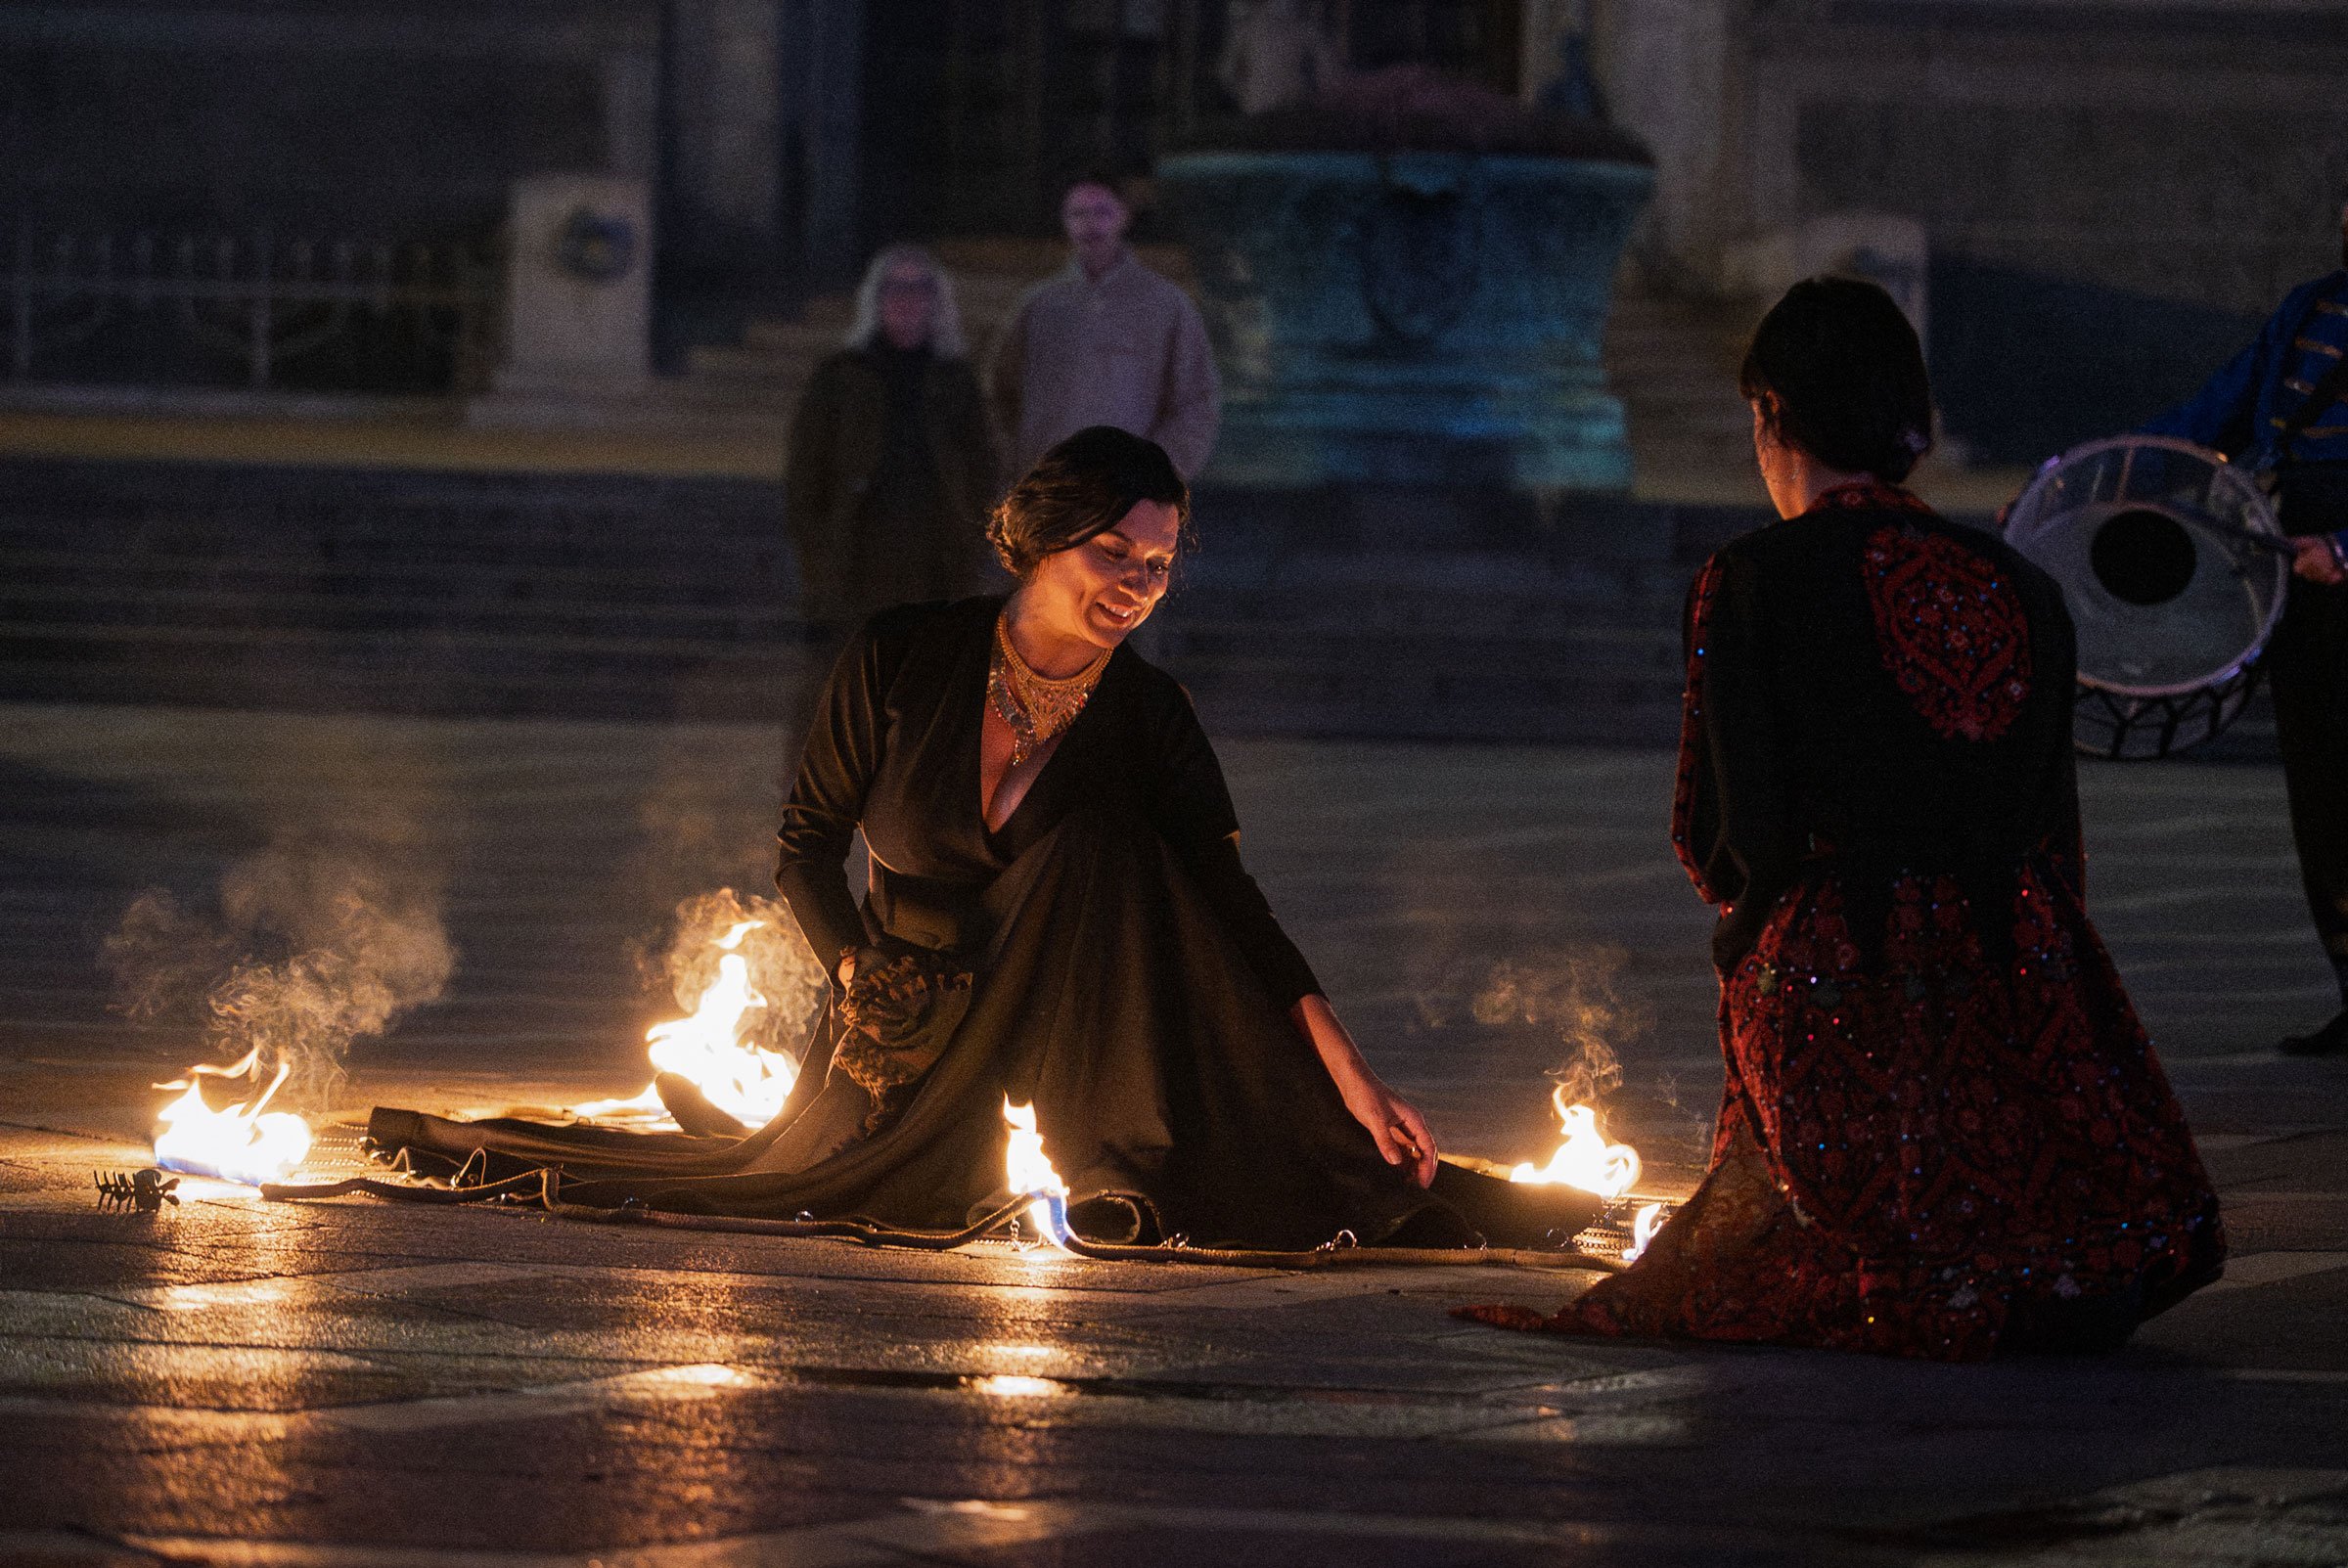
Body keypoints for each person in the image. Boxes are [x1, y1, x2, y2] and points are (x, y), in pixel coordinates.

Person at [368, 427, 1564, 1250]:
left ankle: (1114, 1166)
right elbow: (805, 845)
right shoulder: (903, 655)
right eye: (1113, 554)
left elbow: (1233, 911)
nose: (1137, 586)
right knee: (774, 1182)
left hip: (1078, 1036)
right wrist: (855, 970)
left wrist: (1354, 1081)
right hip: (913, 1014)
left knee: (1105, 844)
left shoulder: (1148, 716)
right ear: (1044, 535)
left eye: (1157, 566)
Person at [1463, 279, 2225, 1360]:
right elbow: (2056, 829)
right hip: (2030, 972)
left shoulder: (1753, 576)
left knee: (1796, 1249)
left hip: (1837, 970)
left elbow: (1730, 830)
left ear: (1773, 413)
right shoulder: (2019, 582)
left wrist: (1751, 935)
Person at [2141, 199, 2348, 1056]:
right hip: (2294, 560)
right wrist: (2096, 482)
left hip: (2332, 546)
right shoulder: (2310, 307)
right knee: (2325, 786)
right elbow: (2212, 413)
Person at [788, 245, 999, 630]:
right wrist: (820, 555)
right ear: (876, 296)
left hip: (938, 559)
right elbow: (806, 474)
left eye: (920, 288)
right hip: (859, 559)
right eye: (896, 287)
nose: (908, 299)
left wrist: (973, 539)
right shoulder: (840, 377)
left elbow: (981, 465)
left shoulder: (955, 380)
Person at [988, 179, 1221, 480]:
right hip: (1048, 491)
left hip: (1129, 494)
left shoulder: (1165, 305)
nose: (1090, 225)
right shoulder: (1040, 306)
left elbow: (1198, 399)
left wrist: (1159, 472)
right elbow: (998, 391)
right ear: (1065, 222)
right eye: (1078, 214)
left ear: (1123, 216)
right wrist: (1017, 466)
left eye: (1102, 212)